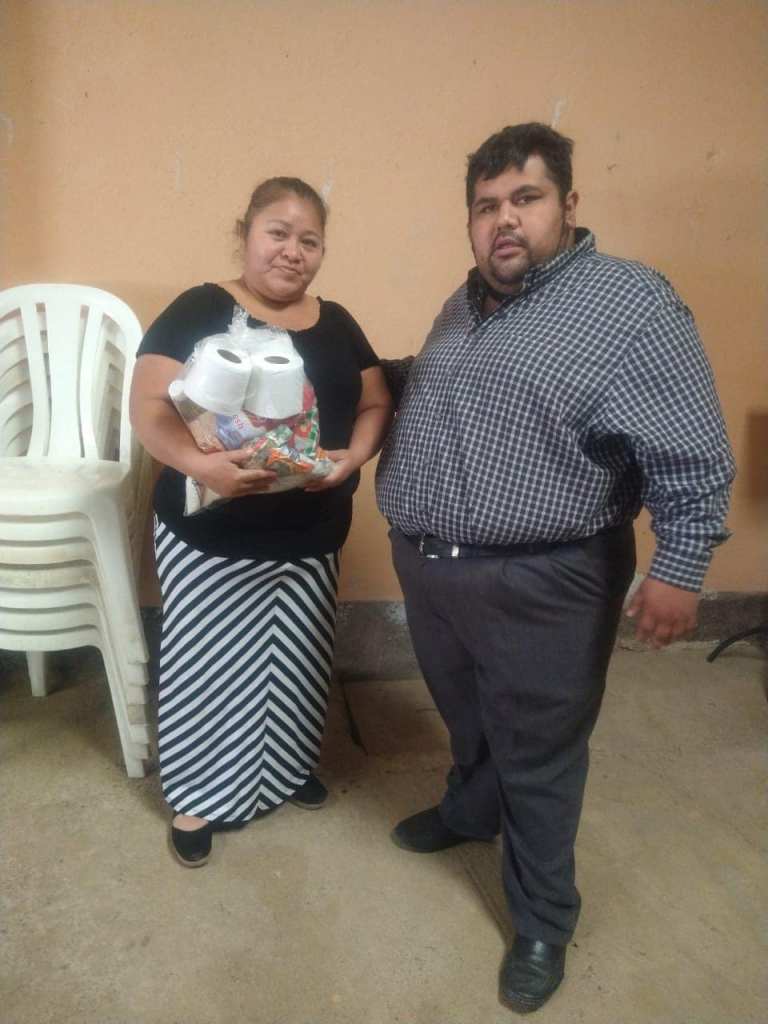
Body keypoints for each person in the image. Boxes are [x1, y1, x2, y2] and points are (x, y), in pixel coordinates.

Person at [375, 124, 734, 1013]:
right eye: (486, 206)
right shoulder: (465, 304)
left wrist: (680, 567)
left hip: (547, 581)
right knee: (466, 715)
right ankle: (470, 810)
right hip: (433, 568)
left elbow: (693, 452)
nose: (504, 220)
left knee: (539, 755)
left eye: (525, 199)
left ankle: (542, 919)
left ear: (567, 205)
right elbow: (459, 390)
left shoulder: (631, 305)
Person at [130, 177, 391, 868]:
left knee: (296, 664)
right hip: (213, 537)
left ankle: (281, 771)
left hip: (310, 538)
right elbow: (148, 406)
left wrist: (354, 457)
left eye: (309, 241)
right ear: (245, 233)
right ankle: (196, 797)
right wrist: (201, 466)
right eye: (278, 233)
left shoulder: (337, 322)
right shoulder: (200, 309)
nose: (292, 251)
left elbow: (375, 402)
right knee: (209, 670)